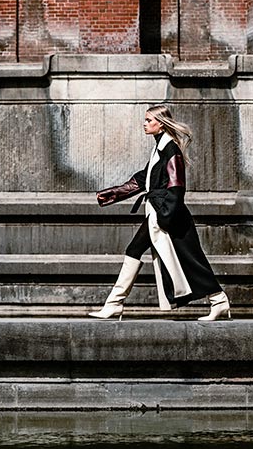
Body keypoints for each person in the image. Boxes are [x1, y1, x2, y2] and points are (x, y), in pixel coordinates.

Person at [88, 104, 231, 321]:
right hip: (162, 212)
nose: (144, 124)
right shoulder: (160, 148)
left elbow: (176, 186)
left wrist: (165, 216)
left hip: (167, 214)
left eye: (149, 120)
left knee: (188, 258)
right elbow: (143, 179)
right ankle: (218, 301)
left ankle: (114, 304)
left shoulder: (170, 149)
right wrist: (114, 194)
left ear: (161, 124)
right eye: (145, 120)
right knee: (182, 257)